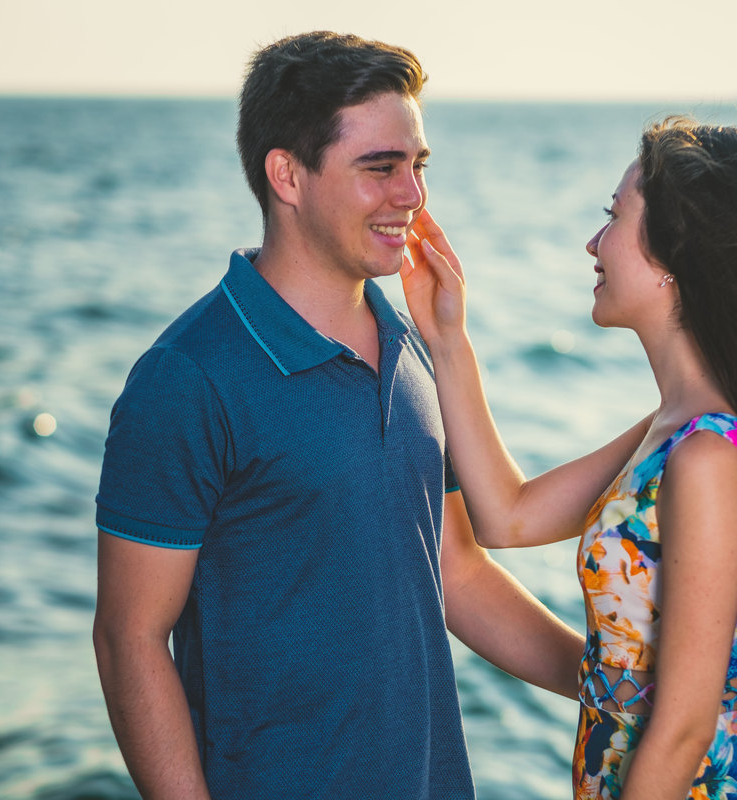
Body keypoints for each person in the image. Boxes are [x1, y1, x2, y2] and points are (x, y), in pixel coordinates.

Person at [91, 31, 584, 800]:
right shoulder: (187, 377)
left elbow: (456, 571)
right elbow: (129, 639)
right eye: (380, 168)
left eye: (418, 166)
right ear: (287, 175)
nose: (412, 195)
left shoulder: (412, 344)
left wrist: (613, 686)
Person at [400, 117, 737, 799]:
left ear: (674, 253)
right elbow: (507, 518)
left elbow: (684, 730)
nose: (593, 243)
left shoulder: (708, 457)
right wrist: (446, 338)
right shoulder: (673, 431)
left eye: (614, 216)